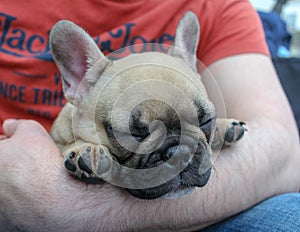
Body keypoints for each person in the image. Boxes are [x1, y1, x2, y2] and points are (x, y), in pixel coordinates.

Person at [0, 0, 299, 231]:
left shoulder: (218, 6)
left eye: (203, 121)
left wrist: (68, 207)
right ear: (78, 81)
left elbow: (286, 156)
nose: (178, 157)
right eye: (138, 133)